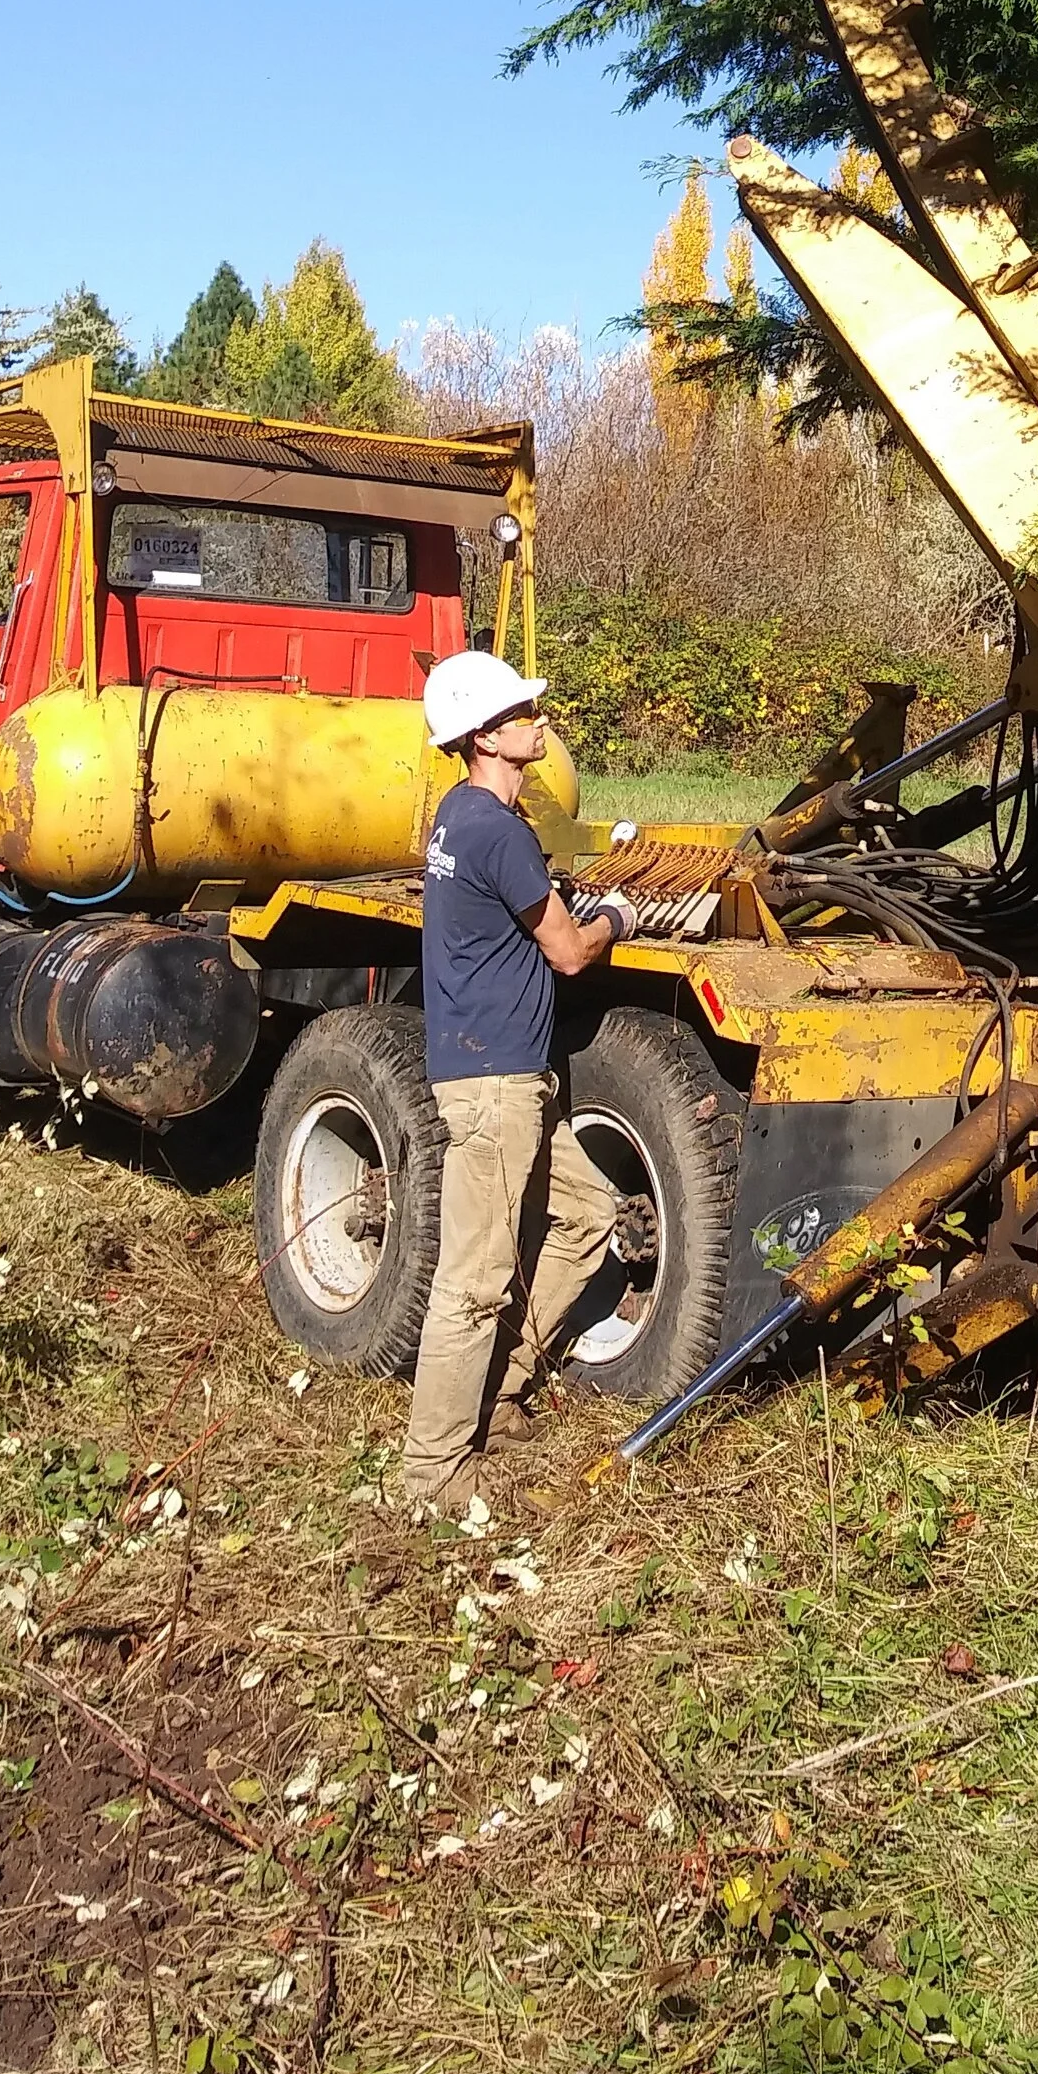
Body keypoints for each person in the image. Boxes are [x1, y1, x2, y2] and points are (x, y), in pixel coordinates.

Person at [400, 649, 640, 1515]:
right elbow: (570, 952)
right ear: (487, 737)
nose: (540, 720)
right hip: (494, 1081)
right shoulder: (493, 829)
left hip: (504, 1074)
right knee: (475, 1276)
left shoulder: (461, 818)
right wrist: (614, 916)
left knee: (586, 1213)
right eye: (524, 713)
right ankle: (433, 1472)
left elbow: (513, 905)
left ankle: (498, 1394)